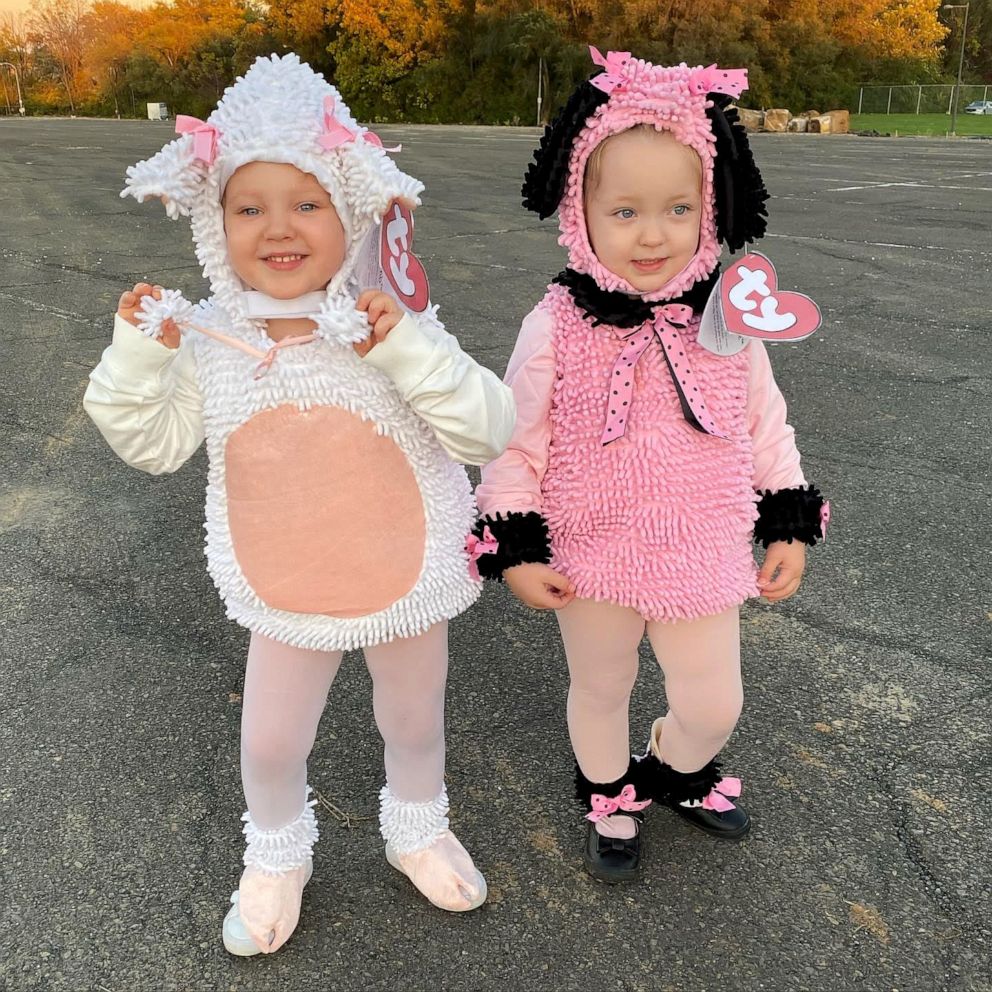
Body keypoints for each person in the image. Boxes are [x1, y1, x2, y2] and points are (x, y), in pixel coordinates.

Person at [84, 54, 515, 953]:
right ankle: (278, 855)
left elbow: (486, 429)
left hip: (408, 580)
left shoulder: (389, 323)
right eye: (249, 208)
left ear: (347, 210)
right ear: (215, 222)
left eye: (306, 203)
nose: (278, 228)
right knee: (272, 745)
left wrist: (405, 353)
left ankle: (418, 827)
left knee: (413, 720)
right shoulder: (213, 340)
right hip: (285, 587)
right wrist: (139, 356)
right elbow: (154, 446)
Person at [472, 49, 829, 883]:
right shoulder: (556, 322)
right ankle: (608, 794)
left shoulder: (726, 320)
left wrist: (786, 519)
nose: (653, 234)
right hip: (590, 547)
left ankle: (673, 769)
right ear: (579, 210)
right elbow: (514, 439)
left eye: (677, 208)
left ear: (710, 206)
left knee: (714, 701)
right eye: (625, 210)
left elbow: (763, 424)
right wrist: (517, 547)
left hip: (701, 544)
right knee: (601, 686)